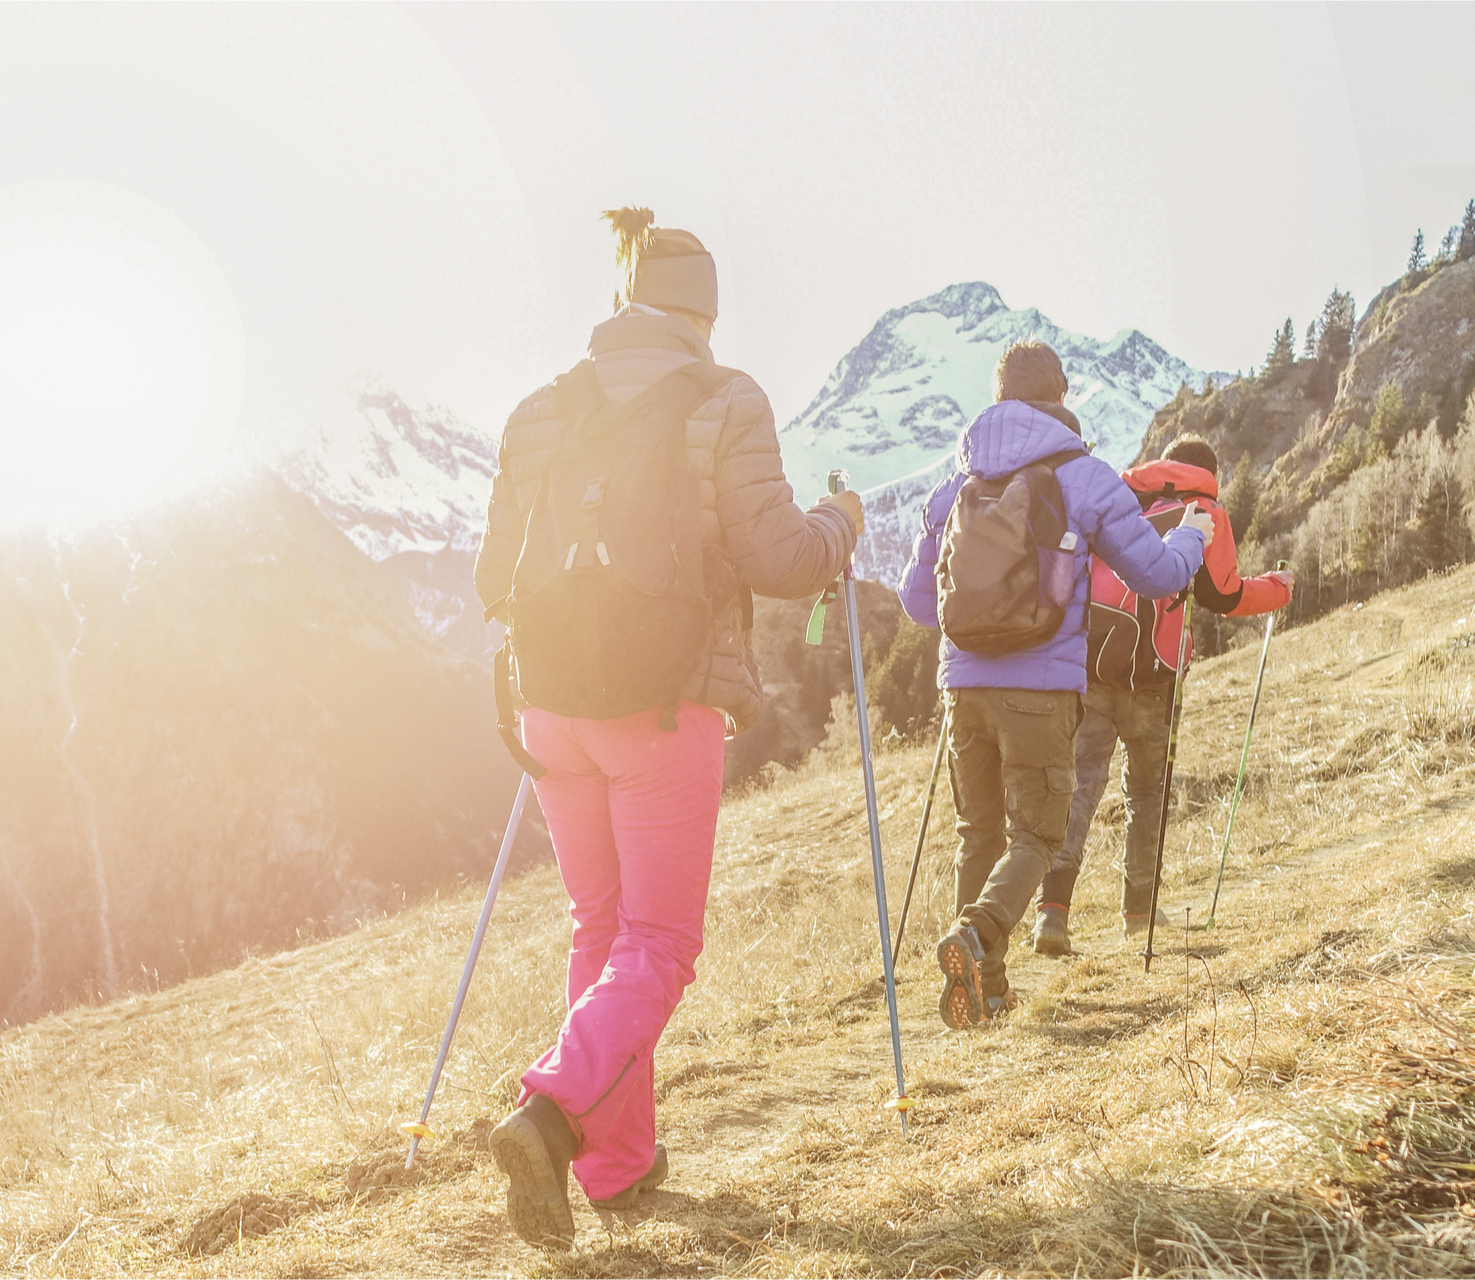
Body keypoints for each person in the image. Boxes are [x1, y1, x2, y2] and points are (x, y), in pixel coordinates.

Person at [473, 208, 861, 1249]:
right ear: (705, 313)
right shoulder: (727, 399)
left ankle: (616, 1162)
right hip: (662, 701)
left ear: (622, 302)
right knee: (660, 942)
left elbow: (488, 579)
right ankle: (552, 1116)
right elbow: (782, 558)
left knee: (600, 927)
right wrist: (844, 526)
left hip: (551, 708)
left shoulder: (540, 409)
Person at [898, 341, 1214, 1029]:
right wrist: (1193, 537)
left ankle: (987, 993)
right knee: (1037, 836)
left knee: (977, 835)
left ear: (999, 396)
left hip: (962, 688)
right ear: (1061, 397)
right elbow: (1157, 577)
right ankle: (979, 936)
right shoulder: (1086, 476)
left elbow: (919, 606)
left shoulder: (955, 486)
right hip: (1040, 690)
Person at [1031, 434, 1292, 956]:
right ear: (1209, 471)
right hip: (1156, 675)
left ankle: (1052, 913)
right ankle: (1138, 912)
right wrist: (1278, 587)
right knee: (1146, 794)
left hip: (1095, 664)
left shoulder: (1120, 497)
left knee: (1080, 785)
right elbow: (1224, 594)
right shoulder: (1205, 510)